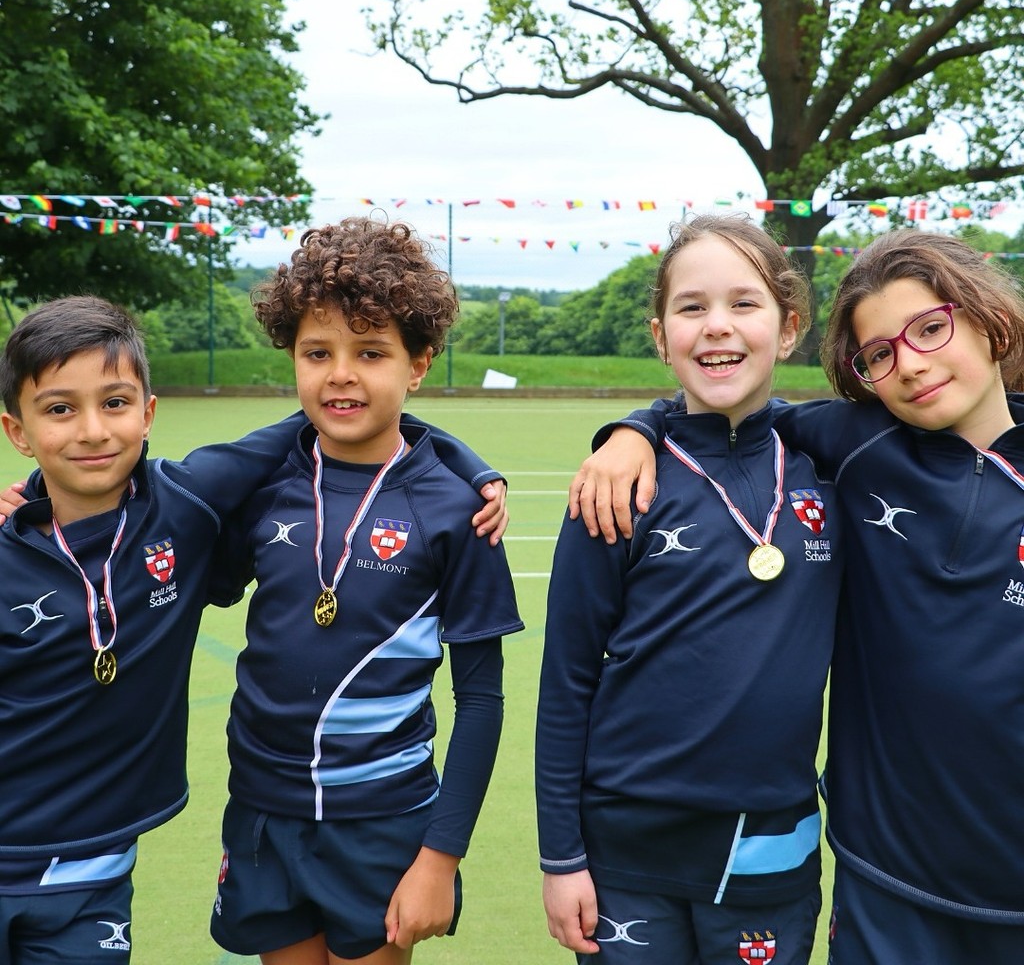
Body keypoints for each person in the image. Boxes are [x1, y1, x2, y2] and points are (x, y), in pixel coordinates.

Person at [0, 293, 507, 964]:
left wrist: (478, 469)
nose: (93, 430)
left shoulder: (191, 504)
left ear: (147, 413)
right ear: (18, 430)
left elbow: (354, 419)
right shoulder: (238, 492)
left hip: (363, 824)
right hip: (254, 814)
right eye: (317, 353)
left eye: (115, 403)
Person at [571, 227, 1024, 963]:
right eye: (878, 355)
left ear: (987, 319)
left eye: (931, 329)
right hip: (887, 884)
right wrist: (630, 431)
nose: (910, 364)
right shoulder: (856, 444)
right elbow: (725, 412)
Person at [205, 217, 525, 965]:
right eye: (318, 353)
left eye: (370, 352)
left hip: (384, 823)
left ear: (419, 364)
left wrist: (440, 857)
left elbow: (481, 699)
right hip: (261, 813)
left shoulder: (458, 509)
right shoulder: (263, 485)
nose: (340, 374)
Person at [535, 214, 843, 965]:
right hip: (624, 854)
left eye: (744, 304)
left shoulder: (835, 465)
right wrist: (560, 857)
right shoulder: (616, 484)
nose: (717, 328)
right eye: (692, 307)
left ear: (790, 325)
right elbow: (568, 678)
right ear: (659, 332)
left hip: (770, 848)